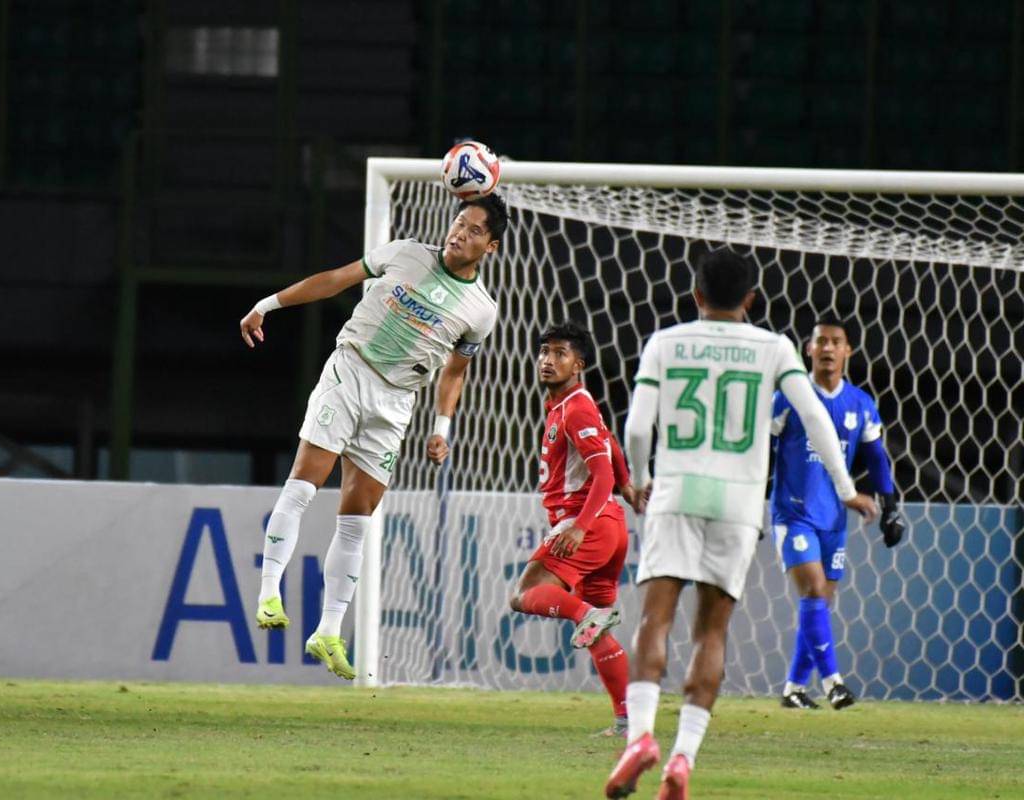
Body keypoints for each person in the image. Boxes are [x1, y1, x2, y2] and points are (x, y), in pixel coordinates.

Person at [604, 248, 878, 799]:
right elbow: (816, 419)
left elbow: (636, 427)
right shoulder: (774, 347)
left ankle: (639, 738)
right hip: (739, 505)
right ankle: (682, 760)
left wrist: (638, 476)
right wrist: (847, 489)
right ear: (750, 300)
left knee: (654, 620)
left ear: (696, 295)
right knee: (712, 631)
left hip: (676, 492)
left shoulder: (665, 342)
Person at [240, 194, 508, 680]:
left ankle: (327, 631)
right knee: (306, 481)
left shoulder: (481, 311)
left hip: (396, 403)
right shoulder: (405, 252)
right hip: (350, 371)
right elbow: (336, 280)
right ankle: (268, 593)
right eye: (458, 223)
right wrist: (268, 304)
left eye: (473, 231)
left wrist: (441, 427)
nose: (459, 233)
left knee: (358, 514)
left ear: (489, 246)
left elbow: (455, 372)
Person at [507, 322, 634, 738]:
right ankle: (626, 719)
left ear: (578, 364)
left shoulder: (575, 407)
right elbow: (608, 441)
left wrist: (579, 528)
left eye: (560, 353)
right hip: (610, 526)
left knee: (523, 595)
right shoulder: (576, 405)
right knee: (597, 630)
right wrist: (629, 483)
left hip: (590, 525)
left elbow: (600, 475)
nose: (548, 360)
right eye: (545, 351)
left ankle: (586, 614)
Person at [770, 319, 905, 711]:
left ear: (848, 351)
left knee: (820, 603)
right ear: (808, 350)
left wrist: (890, 505)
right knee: (812, 588)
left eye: (836, 342)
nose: (828, 348)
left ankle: (794, 688)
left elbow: (876, 457)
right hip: (793, 514)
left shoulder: (860, 404)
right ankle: (834, 683)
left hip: (834, 520)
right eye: (820, 342)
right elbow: (763, 448)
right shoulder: (788, 398)